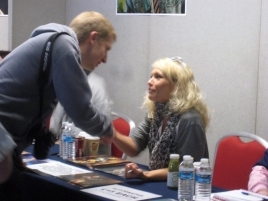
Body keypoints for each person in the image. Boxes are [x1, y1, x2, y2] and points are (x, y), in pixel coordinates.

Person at [0, 11, 116, 192]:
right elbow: (80, 109)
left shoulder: (53, 43)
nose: (105, 59)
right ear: (93, 38)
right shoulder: (64, 45)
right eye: (106, 49)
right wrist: (106, 129)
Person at [112, 56, 210, 181]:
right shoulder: (156, 112)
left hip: (184, 189)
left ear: (176, 86)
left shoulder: (190, 118)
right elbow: (134, 148)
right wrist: (111, 133)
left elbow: (187, 168)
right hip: (161, 183)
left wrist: (145, 174)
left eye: (158, 77)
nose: (149, 81)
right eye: (151, 76)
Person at [49, 71, 113, 155]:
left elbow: (104, 135)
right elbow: (54, 127)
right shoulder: (66, 83)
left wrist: (67, 141)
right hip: (66, 150)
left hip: (91, 156)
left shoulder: (96, 85)